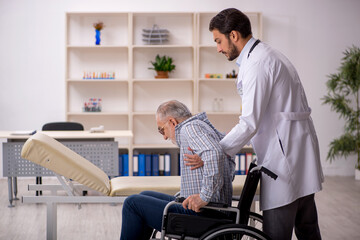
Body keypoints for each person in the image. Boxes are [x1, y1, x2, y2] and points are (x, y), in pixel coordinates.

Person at [187, 8, 324, 240]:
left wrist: (213, 153)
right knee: (307, 226)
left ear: (233, 35)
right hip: (297, 152)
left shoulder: (258, 64)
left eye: (218, 41)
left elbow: (249, 123)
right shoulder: (266, 55)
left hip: (284, 159)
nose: (218, 48)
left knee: (277, 233)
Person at [120, 100, 235, 240]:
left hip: (202, 214)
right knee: (144, 195)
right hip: (208, 209)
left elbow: (215, 154)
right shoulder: (201, 126)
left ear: (172, 122)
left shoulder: (189, 128)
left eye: (161, 129)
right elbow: (226, 157)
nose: (164, 137)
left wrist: (204, 196)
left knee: (132, 204)